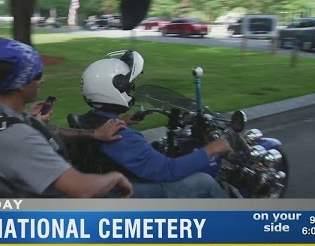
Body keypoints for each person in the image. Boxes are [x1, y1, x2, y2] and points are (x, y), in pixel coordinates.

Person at [0, 36, 132, 199]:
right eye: (37, 75)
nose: (42, 81)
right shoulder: (18, 136)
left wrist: (32, 121)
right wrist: (116, 177)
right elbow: (83, 189)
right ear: (21, 83)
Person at [77, 49, 232, 199]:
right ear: (114, 89)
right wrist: (212, 148)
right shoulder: (123, 137)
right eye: (129, 85)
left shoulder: (90, 121)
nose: (132, 89)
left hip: (112, 183)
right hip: (135, 194)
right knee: (205, 182)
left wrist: (121, 120)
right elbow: (168, 170)